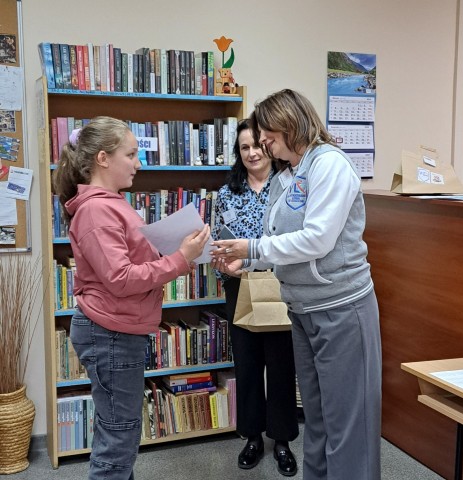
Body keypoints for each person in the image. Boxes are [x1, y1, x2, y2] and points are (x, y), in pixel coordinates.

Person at [211, 89, 382, 480]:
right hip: (301, 309)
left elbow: (317, 239)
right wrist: (247, 260)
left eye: (268, 136)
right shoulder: (287, 175)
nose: (264, 145)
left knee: (348, 422)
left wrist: (253, 247)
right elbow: (278, 240)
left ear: (290, 124)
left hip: (340, 306)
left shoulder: (329, 164)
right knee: (318, 418)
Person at [53, 116, 210, 480]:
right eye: (131, 154)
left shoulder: (111, 203)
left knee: (117, 430)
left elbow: (128, 263)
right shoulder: (97, 210)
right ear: (103, 159)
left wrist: (175, 255)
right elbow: (121, 279)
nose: (138, 163)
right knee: (119, 436)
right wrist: (179, 258)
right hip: (110, 332)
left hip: (116, 329)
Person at [211, 119, 299, 476]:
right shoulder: (227, 192)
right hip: (240, 285)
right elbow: (218, 242)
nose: (251, 153)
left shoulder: (289, 185)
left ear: (268, 147)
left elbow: (297, 237)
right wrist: (226, 267)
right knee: (247, 365)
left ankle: (282, 440)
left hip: (280, 284)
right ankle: (252, 438)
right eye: (244, 147)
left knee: (281, 365)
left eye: (257, 146)